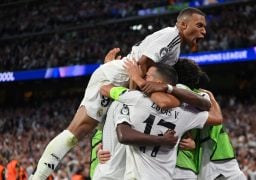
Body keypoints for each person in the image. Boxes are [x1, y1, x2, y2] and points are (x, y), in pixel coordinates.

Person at [32, 7, 208, 180]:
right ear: (183, 25)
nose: (204, 31)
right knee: (76, 132)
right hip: (113, 79)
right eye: (199, 25)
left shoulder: (175, 50)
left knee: (117, 138)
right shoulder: (172, 36)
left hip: (122, 81)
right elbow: (141, 65)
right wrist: (132, 98)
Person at [98, 60, 222, 180]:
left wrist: (116, 68)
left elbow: (104, 88)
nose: (144, 78)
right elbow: (217, 118)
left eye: (147, 76)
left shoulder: (134, 99)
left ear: (157, 82)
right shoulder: (185, 112)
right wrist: (212, 98)